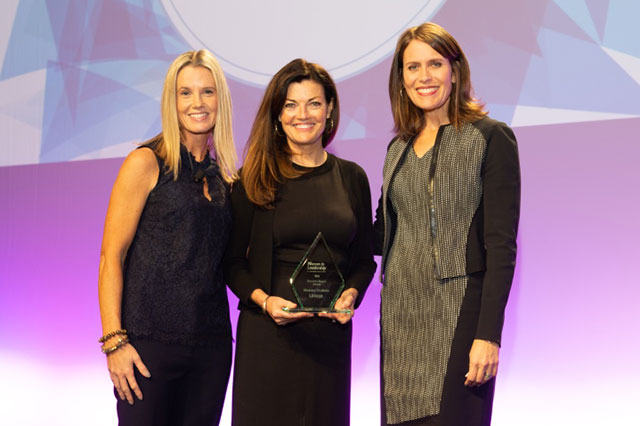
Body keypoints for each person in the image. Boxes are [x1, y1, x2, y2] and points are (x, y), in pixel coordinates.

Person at [373, 23, 521, 426]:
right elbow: (384, 233)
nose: (424, 76)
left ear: (455, 71)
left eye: (435, 63)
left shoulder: (489, 138)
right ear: (401, 80)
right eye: (412, 67)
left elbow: (501, 246)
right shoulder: (398, 147)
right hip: (401, 317)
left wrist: (488, 335)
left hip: (460, 316)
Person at [225, 58, 376, 426]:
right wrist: (264, 301)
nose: (302, 114)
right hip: (268, 338)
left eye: (314, 103)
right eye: (290, 104)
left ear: (330, 110)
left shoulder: (352, 178)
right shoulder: (254, 178)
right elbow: (232, 263)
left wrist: (351, 295)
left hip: (329, 340)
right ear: (277, 115)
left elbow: (363, 261)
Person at [97, 49, 237, 426]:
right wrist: (114, 342)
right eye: (186, 92)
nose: (197, 103)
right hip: (147, 349)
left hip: (212, 350)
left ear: (219, 100)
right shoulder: (145, 162)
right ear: (171, 101)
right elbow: (112, 255)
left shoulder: (224, 179)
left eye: (207, 92)